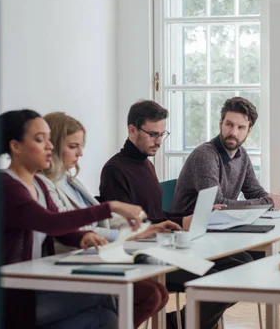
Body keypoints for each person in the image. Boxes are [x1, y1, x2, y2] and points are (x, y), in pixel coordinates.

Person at [99, 99, 250, 329]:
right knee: (229, 271)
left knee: (244, 263)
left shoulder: (147, 165)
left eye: (162, 134)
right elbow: (131, 228)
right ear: (132, 130)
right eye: (153, 134)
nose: (159, 142)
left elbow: (155, 214)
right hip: (145, 257)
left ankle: (179, 322)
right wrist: (181, 220)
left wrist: (186, 218)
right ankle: (181, 323)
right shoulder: (115, 171)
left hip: (165, 247)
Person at [0, 109, 148, 329]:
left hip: (35, 290)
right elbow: (49, 222)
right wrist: (111, 207)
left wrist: (83, 237)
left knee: (108, 318)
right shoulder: (6, 186)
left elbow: (59, 229)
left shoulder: (38, 185)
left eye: (50, 139)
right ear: (16, 146)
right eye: (40, 140)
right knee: (107, 292)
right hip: (10, 301)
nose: (50, 146)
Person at [39, 112, 177, 328]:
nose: (81, 153)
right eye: (74, 146)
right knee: (150, 293)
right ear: (53, 146)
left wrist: (143, 228)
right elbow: (72, 228)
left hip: (97, 255)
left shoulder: (69, 180)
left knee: (157, 292)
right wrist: (131, 234)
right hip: (76, 261)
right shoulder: (45, 184)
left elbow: (102, 220)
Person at [172, 96, 280, 214]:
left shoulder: (242, 154)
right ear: (221, 123)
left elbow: (254, 191)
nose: (233, 132)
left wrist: (277, 199)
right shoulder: (205, 155)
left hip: (220, 225)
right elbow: (217, 204)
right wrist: (268, 202)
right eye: (229, 124)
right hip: (190, 230)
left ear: (249, 130)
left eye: (241, 127)